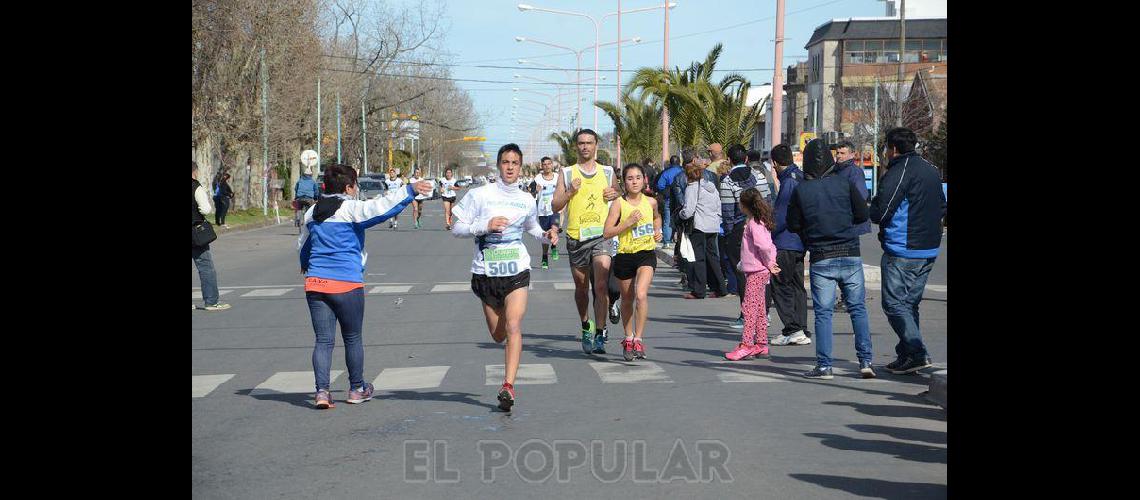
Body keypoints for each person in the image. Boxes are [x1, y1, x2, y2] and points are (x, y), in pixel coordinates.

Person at [451, 144, 559, 411]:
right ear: (498, 165)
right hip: (486, 272)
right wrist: (484, 226)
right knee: (498, 335)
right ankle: (507, 377)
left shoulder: (526, 199)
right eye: (505, 162)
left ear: (520, 167)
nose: (510, 167)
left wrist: (545, 236)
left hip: (517, 270)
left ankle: (508, 386)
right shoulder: (480, 195)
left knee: (513, 326)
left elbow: (532, 227)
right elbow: (457, 228)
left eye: (515, 163)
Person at [787, 139, 874, 380]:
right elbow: (863, 213)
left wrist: (810, 229)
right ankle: (866, 360)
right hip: (849, 252)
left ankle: (824, 366)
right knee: (857, 308)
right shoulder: (845, 183)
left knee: (823, 313)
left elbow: (793, 224)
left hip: (821, 256)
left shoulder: (801, 189)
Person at [869, 127, 946, 375]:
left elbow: (883, 208)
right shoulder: (931, 169)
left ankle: (917, 351)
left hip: (903, 248)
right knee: (909, 304)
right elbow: (942, 205)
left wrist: (873, 214)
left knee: (893, 303)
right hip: (929, 247)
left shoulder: (899, 171)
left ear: (892, 149)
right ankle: (907, 355)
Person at [550, 129, 621, 355]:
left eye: (589, 143)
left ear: (596, 145)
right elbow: (555, 205)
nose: (585, 147)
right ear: (576, 146)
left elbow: (619, 194)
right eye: (581, 143)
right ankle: (586, 325)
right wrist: (570, 191)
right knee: (581, 288)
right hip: (576, 237)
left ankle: (600, 333)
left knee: (600, 286)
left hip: (601, 236)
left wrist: (615, 194)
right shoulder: (567, 173)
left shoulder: (608, 171)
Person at [603, 163, 662, 361]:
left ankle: (638, 338)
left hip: (646, 253)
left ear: (644, 179)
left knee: (641, 294)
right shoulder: (619, 204)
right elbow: (607, 232)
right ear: (624, 182)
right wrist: (627, 223)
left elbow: (657, 218)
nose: (634, 182)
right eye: (630, 178)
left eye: (638, 177)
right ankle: (628, 337)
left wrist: (657, 231)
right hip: (625, 254)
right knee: (627, 299)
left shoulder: (651, 202)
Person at [724, 189, 780, 361]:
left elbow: (763, 246)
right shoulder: (756, 222)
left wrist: (770, 263)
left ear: (744, 205)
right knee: (760, 309)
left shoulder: (754, 224)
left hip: (757, 271)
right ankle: (761, 344)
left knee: (749, 308)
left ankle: (747, 344)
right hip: (758, 270)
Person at [767, 144, 812, 346]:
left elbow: (782, 216)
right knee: (796, 286)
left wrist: (768, 232)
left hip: (786, 242)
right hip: (798, 242)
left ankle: (793, 329)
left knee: (781, 285)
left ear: (775, 163)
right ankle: (801, 328)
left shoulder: (788, 183)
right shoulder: (799, 177)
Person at [719, 144, 760, 328]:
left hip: (737, 230)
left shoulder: (727, 182)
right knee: (761, 273)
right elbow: (768, 200)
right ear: (745, 159)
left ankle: (746, 315)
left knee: (743, 272)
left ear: (729, 160)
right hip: (760, 227)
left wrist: (728, 233)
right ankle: (761, 314)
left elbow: (727, 210)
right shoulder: (758, 176)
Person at [679, 155, 728, 300]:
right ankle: (720, 288)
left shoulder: (692, 188)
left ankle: (699, 291)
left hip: (699, 227)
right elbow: (718, 205)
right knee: (713, 258)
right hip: (713, 226)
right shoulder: (711, 187)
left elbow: (688, 210)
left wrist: (681, 215)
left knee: (698, 259)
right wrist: (717, 220)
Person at [193, 161, 231, 311]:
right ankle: (211, 301)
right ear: (195, 172)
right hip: (195, 232)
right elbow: (206, 209)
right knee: (205, 266)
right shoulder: (195, 186)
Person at [528, 157, 561, 269]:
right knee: (545, 235)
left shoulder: (558, 177)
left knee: (555, 229)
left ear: (552, 165)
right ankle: (545, 256)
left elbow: (564, 190)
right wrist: (535, 191)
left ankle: (554, 246)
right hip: (542, 211)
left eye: (549, 164)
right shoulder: (537, 179)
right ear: (541, 166)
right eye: (544, 164)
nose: (547, 166)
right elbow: (530, 194)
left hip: (555, 209)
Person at [655, 155, 683, 247]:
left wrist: (667, 190)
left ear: (670, 163)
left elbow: (660, 185)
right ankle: (681, 240)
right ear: (679, 162)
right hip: (682, 199)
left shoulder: (666, 173)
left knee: (668, 219)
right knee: (682, 219)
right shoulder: (683, 171)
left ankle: (667, 241)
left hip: (669, 199)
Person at [438, 167, 466, 231]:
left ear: (451, 174)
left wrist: (452, 188)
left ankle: (449, 220)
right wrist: (441, 189)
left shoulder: (454, 180)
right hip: (445, 196)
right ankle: (447, 224)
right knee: (447, 210)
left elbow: (458, 188)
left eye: (449, 173)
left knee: (450, 211)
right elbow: (440, 186)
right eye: (447, 173)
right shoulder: (442, 180)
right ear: (445, 174)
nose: (448, 174)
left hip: (452, 196)